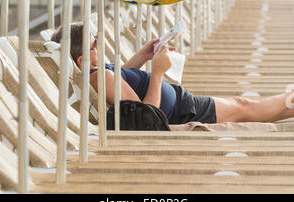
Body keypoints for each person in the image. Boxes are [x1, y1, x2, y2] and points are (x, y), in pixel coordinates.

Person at [51, 22, 294, 127]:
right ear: (82, 60)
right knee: (244, 107)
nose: (99, 47)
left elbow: (123, 85)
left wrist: (142, 56)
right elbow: (148, 119)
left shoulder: (96, 75)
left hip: (178, 102)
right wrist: (157, 73)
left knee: (243, 108)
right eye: (95, 45)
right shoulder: (100, 77)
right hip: (180, 109)